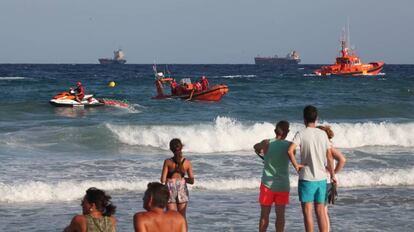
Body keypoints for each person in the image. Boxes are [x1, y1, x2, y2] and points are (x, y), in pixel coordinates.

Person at [288, 105, 335, 232]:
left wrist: (296, 165)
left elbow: (290, 150)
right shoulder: (323, 134)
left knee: (308, 213)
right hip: (321, 179)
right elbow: (330, 157)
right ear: (316, 118)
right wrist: (333, 175)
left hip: (306, 178)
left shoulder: (301, 134)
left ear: (304, 118)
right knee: (321, 212)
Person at [254, 120, 291, 232]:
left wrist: (261, 152)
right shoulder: (289, 146)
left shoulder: (267, 143)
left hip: (267, 184)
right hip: (283, 184)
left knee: (264, 215)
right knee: (280, 216)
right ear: (287, 132)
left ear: (276, 130)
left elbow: (255, 147)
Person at [317, 125, 346, 232]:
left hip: (326, 181)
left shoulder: (327, 146)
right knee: (324, 210)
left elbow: (342, 159)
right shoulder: (326, 145)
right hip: (326, 180)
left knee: (323, 211)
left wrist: (332, 173)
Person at [161, 138, 194, 220]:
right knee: (182, 217)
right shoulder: (187, 163)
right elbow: (192, 181)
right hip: (182, 187)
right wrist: (182, 180)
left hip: (170, 187)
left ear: (170, 149)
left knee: (170, 217)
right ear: (181, 147)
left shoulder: (167, 162)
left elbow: (162, 180)